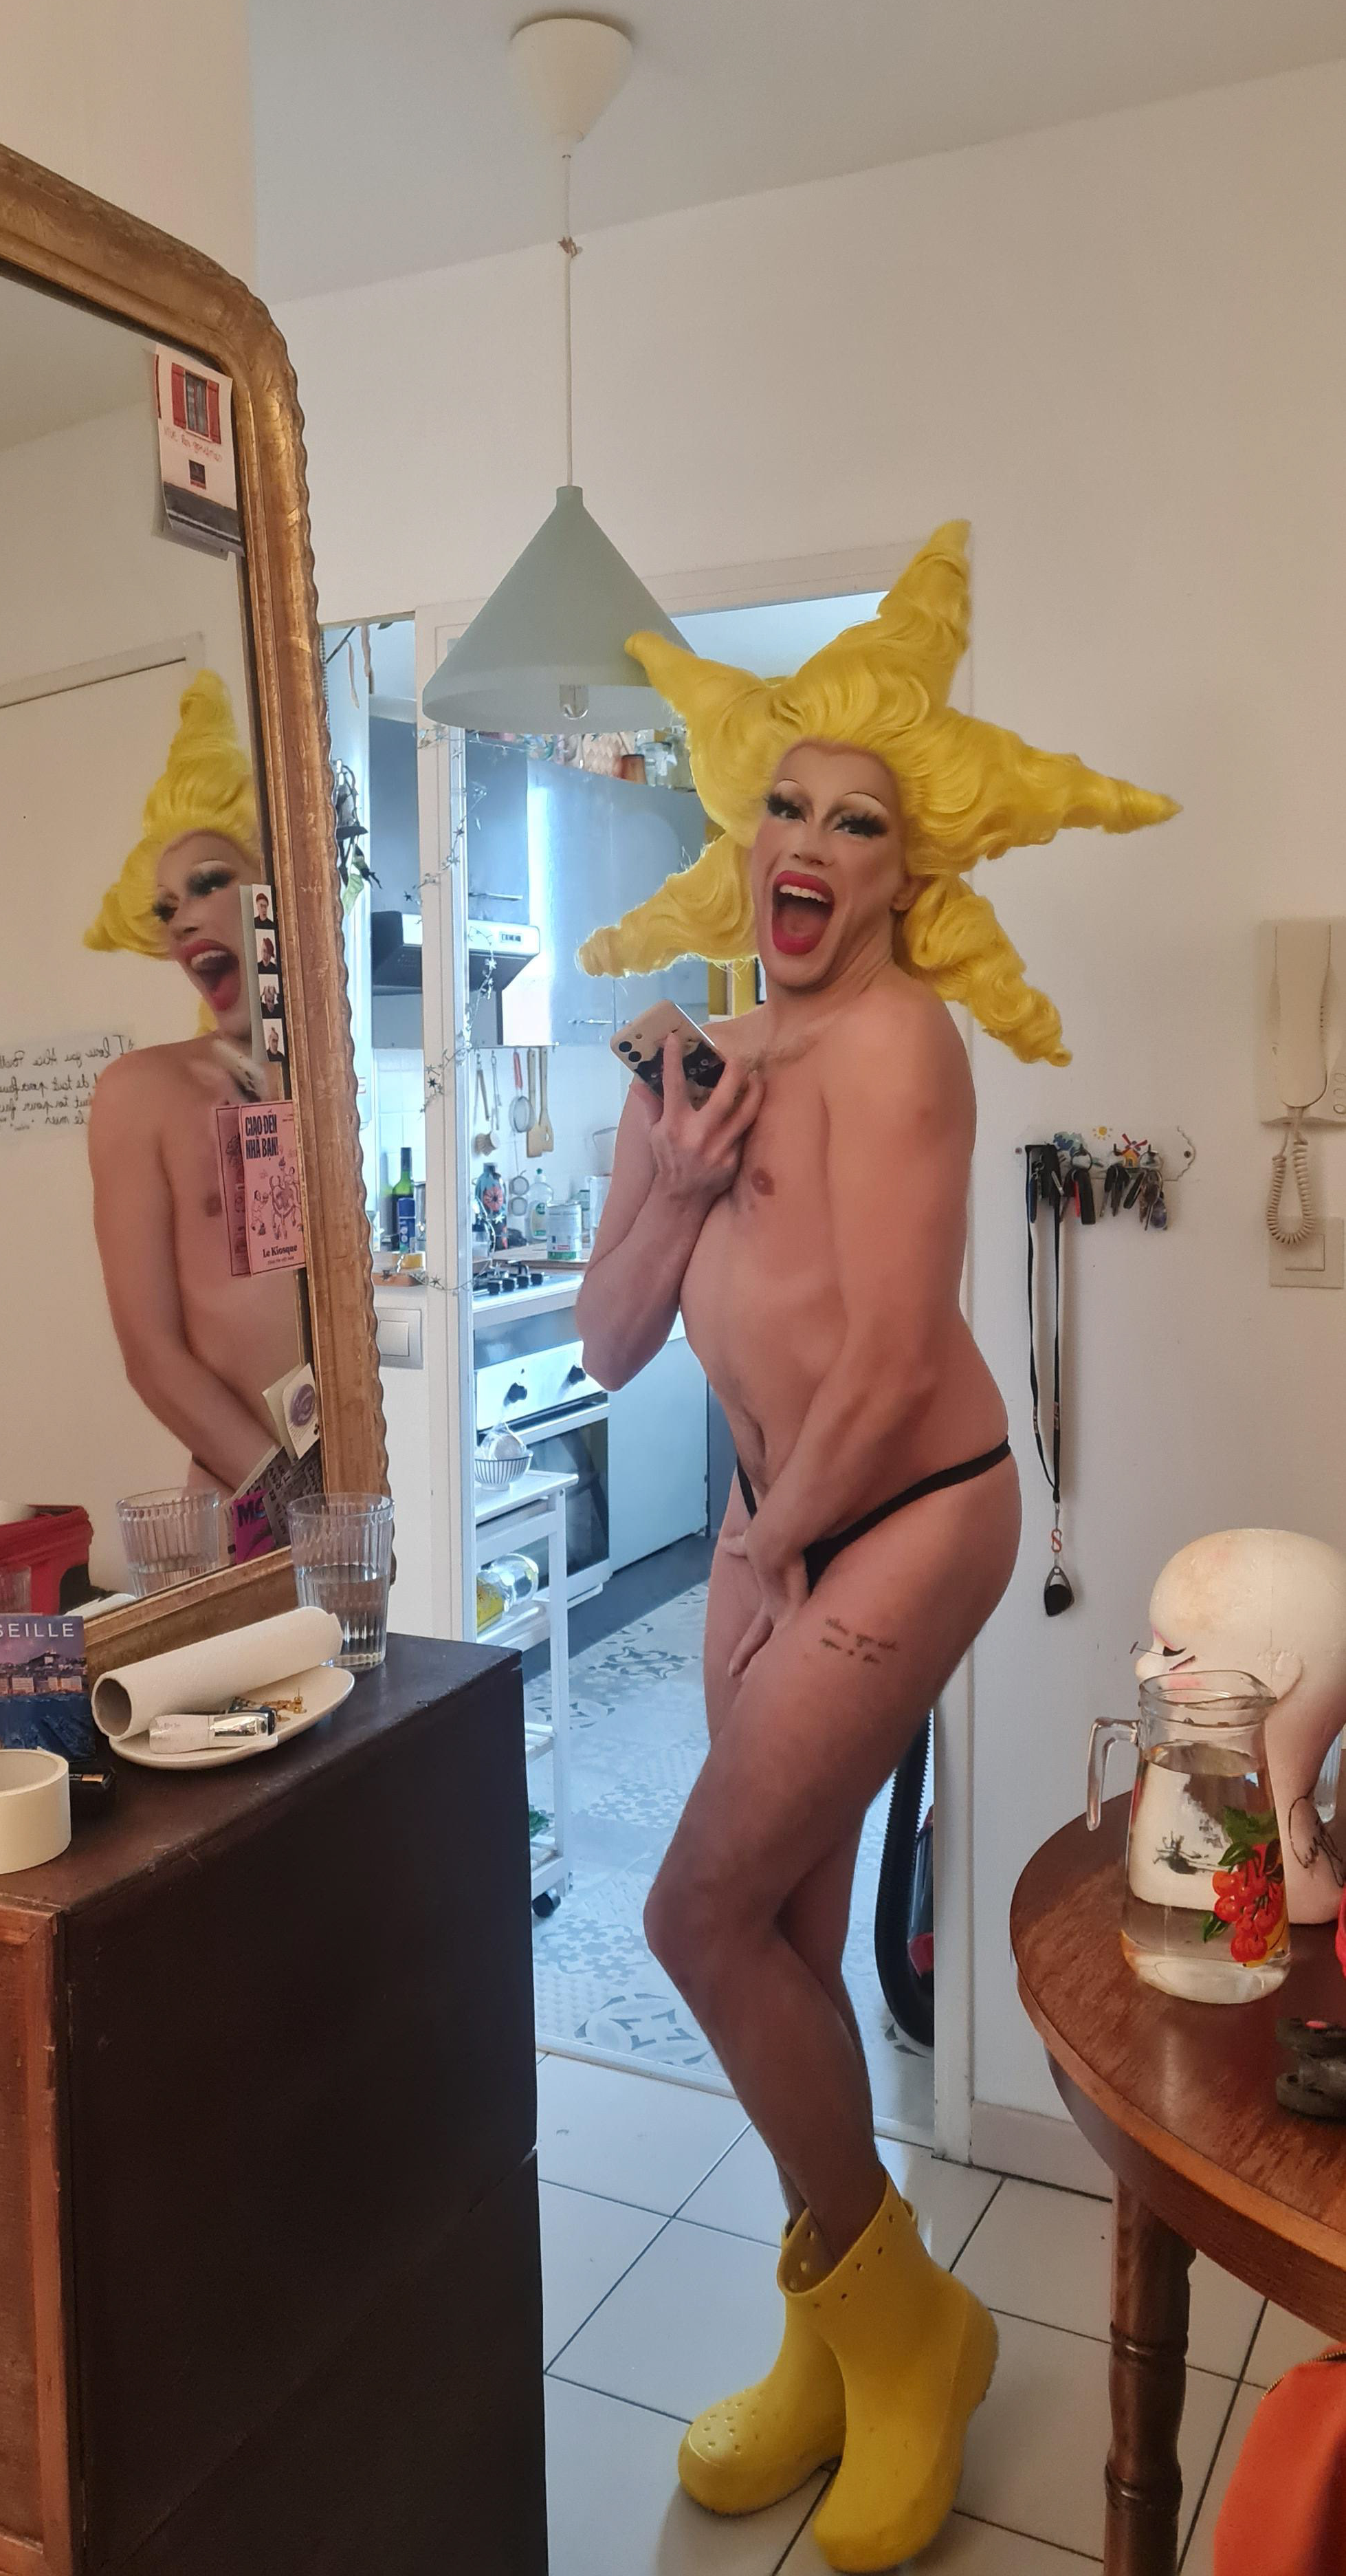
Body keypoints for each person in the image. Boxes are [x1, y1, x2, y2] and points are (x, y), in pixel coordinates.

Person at [575, 524, 1176, 2573]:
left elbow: (905, 1344)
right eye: (787, 806)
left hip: (910, 1513)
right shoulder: (681, 1059)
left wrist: (764, 1561)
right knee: (781, 1937)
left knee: (690, 1917)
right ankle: (838, 2340)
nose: (813, 841)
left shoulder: (909, 1041)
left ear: (907, 876)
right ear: (741, 843)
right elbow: (610, 1337)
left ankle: (914, 2334)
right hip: (781, 1527)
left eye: (861, 819)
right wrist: (675, 1179)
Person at [84, 671, 298, 1498]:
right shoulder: (142, 1093)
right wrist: (282, 1493)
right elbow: (151, 1354)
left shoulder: (331, 1090)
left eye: (209, 882)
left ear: (277, 888)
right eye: (167, 906)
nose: (182, 919)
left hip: (362, 1482)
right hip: (245, 1501)